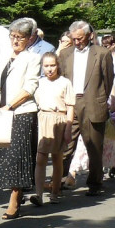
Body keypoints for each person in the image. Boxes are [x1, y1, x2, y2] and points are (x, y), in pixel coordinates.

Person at [0, 20, 42, 219]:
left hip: (21, 112)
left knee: (18, 157)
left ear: (29, 39)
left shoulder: (33, 58)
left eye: (20, 37)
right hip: (1, 112)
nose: (15, 40)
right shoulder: (4, 56)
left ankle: (15, 197)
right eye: (13, 36)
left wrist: (10, 105)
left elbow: (29, 88)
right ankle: (0, 189)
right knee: (2, 155)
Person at [58, 21, 115, 196]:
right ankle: (58, 181)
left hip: (92, 102)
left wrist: (100, 100)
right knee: (64, 144)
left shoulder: (102, 53)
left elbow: (108, 80)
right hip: (70, 103)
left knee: (94, 146)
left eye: (80, 39)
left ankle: (95, 183)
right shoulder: (65, 54)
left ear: (90, 36)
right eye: (74, 39)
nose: (77, 42)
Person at [33, 53, 75, 204]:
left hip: (59, 120)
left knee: (57, 158)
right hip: (43, 118)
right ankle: (38, 194)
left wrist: (68, 128)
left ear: (57, 65)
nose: (50, 69)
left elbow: (70, 107)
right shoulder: (39, 82)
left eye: (52, 65)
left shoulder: (65, 82)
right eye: (46, 66)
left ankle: (55, 192)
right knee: (41, 157)